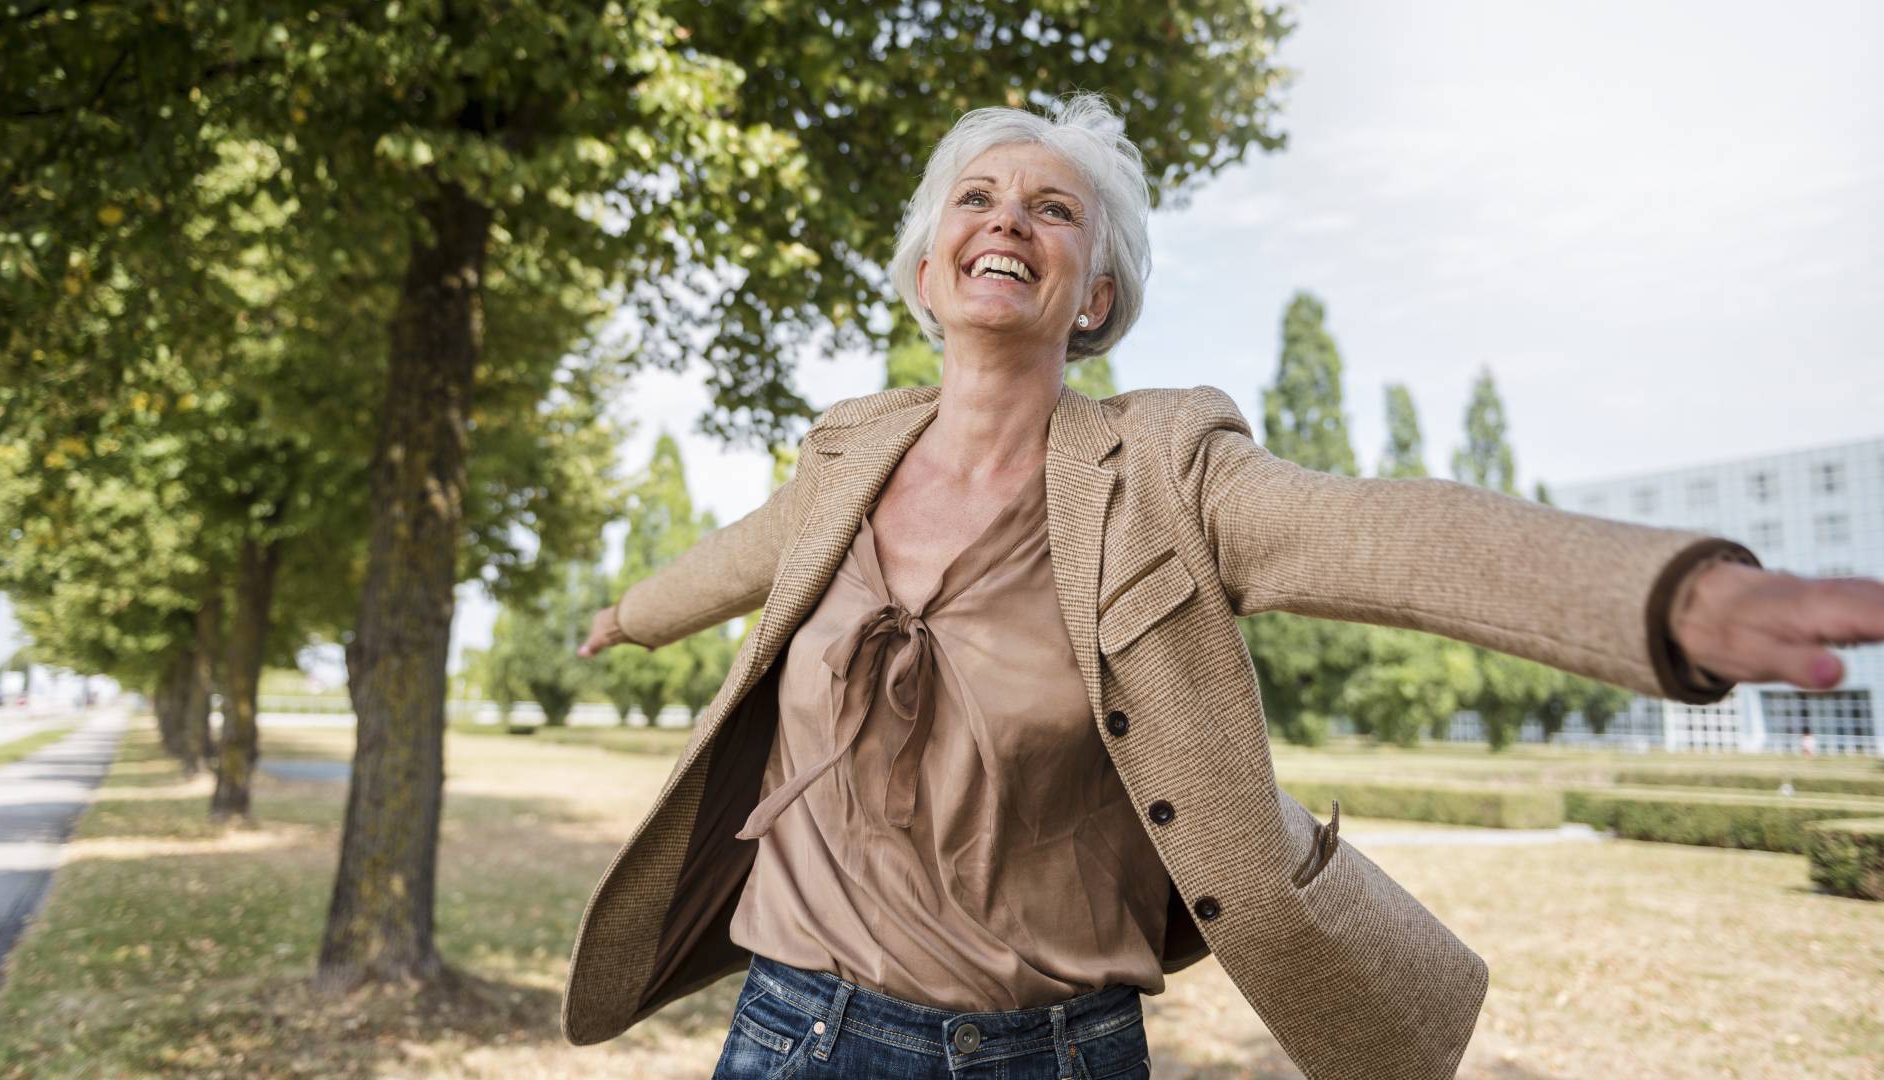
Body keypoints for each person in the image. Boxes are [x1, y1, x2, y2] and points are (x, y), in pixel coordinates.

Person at [562, 93, 1884, 1079]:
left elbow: (1390, 533)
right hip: (797, 1025)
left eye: (1053, 208)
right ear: (928, 270)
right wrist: (629, 615)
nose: (1007, 219)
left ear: (1096, 295)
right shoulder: (847, 453)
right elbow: (742, 554)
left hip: (1051, 1051)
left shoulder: (1165, 466)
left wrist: (1670, 599)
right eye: (975, 197)